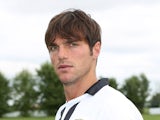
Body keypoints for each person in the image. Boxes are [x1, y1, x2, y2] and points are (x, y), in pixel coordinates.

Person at [45, 9, 143, 120]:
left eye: (72, 44)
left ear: (96, 49)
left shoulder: (115, 110)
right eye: (54, 47)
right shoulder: (64, 110)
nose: (61, 55)